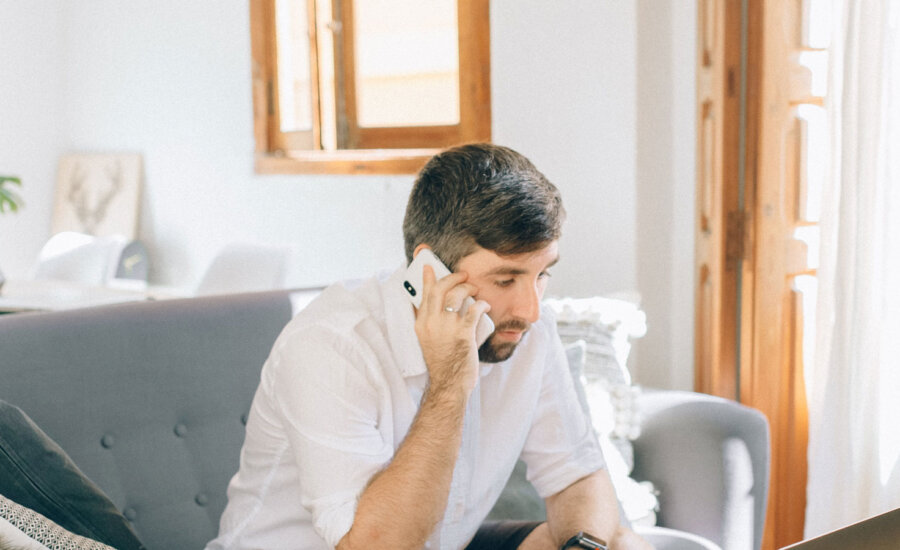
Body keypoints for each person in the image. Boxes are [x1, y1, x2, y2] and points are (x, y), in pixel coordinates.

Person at [207, 144, 652, 550]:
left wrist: (583, 549)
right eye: (505, 279)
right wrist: (450, 382)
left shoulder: (526, 326)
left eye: (542, 274)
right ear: (429, 272)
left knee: (617, 544)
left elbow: (576, 475)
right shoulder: (331, 346)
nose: (531, 309)